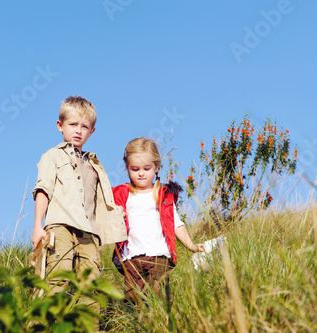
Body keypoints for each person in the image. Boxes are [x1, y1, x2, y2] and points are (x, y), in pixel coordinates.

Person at [31, 95, 127, 298]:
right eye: (72, 124)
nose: (78, 130)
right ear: (60, 125)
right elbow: (43, 190)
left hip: (89, 232)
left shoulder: (93, 164)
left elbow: (101, 201)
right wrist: (37, 226)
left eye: (84, 126)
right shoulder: (53, 155)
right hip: (60, 226)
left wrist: (117, 215)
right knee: (58, 276)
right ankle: (45, 325)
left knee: (91, 283)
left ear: (91, 131)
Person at [112, 137, 204, 304]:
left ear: (156, 167)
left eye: (146, 168)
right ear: (127, 168)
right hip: (131, 258)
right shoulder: (123, 195)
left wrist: (191, 245)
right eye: (135, 169)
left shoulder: (162, 195)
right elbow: (108, 219)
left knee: (158, 293)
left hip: (159, 256)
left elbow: (176, 223)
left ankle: (163, 322)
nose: (141, 173)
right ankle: (139, 326)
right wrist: (116, 215)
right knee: (133, 298)